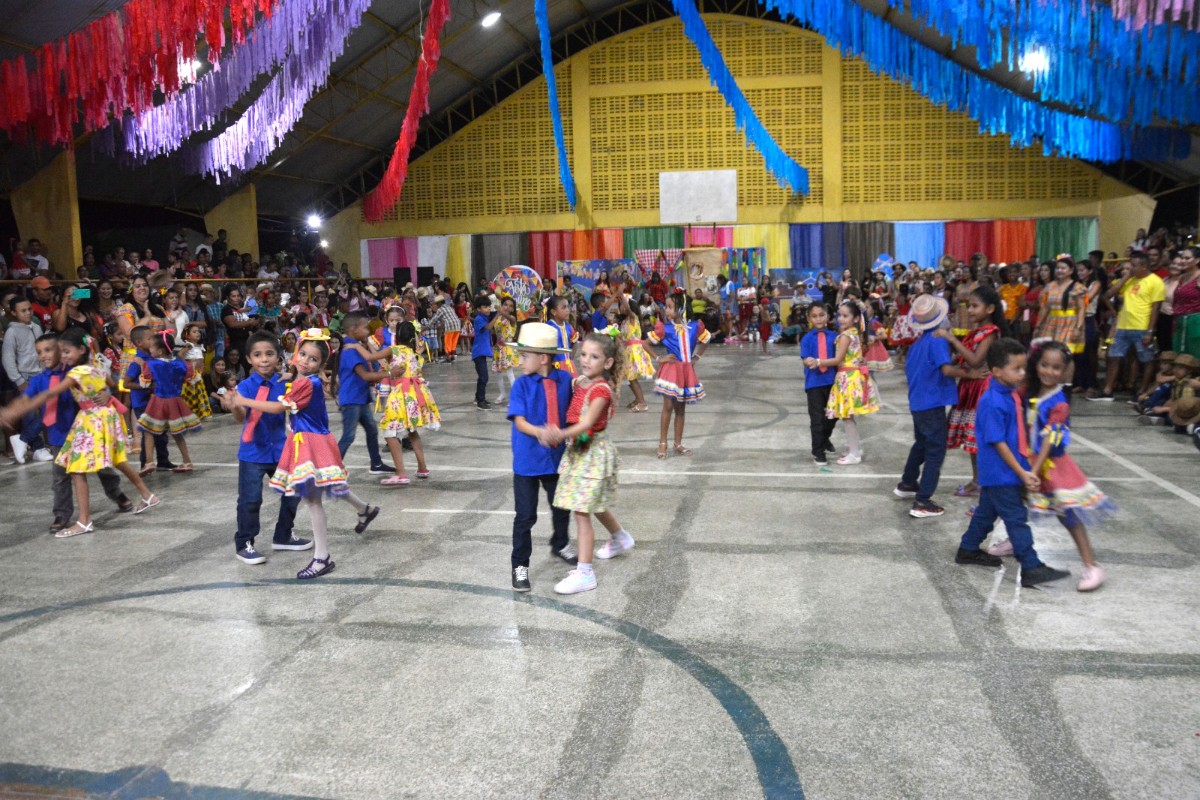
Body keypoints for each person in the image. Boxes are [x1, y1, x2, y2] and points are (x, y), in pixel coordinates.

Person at [232, 330, 381, 579]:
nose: (304, 361)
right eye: (302, 354)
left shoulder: (305, 383)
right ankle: (364, 509)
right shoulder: (299, 379)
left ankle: (322, 558)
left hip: (311, 442)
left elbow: (279, 407)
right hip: (307, 440)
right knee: (327, 486)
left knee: (313, 500)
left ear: (321, 364)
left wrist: (243, 400)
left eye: (312, 359)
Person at [0, 328, 159, 537]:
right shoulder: (94, 366)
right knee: (114, 460)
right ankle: (147, 495)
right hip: (103, 419)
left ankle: (84, 521)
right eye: (61, 352)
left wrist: (12, 412)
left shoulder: (75, 373)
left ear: (80, 349)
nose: (61, 355)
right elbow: (112, 382)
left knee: (78, 468)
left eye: (64, 351)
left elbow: (49, 394)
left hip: (91, 421)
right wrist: (104, 391)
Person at [993, 341, 1113, 591]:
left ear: (1066, 370)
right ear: (1035, 364)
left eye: (1057, 367)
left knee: (1066, 514)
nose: (1049, 371)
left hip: (1050, 466)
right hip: (1026, 459)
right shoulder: (1028, 390)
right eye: (1045, 365)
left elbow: (1050, 439)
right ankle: (1017, 540)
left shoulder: (1059, 402)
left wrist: (1033, 471)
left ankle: (1091, 565)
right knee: (1016, 499)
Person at [953, 338, 1070, 588]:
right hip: (1001, 472)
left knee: (986, 512)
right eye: (1016, 368)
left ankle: (968, 549)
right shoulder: (993, 401)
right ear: (996, 371)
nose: (1022, 373)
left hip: (1004, 471)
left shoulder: (1010, 395)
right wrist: (1021, 472)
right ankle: (1031, 566)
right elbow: (998, 443)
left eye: (1023, 367)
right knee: (1017, 518)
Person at [546, 332, 636, 595]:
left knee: (581, 512)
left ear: (607, 363)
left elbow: (586, 424)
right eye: (583, 354)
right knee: (593, 504)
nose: (586, 360)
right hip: (580, 451)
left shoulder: (601, 390)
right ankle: (620, 537)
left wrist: (558, 434)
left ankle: (585, 573)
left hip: (592, 454)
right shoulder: (581, 382)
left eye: (594, 357)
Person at [23, 333, 134, 530]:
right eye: (39, 352)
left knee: (102, 467)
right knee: (60, 475)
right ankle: (62, 514)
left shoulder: (78, 372)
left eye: (49, 350)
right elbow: (28, 398)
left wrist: (106, 392)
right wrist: (14, 410)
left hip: (85, 431)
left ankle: (117, 494)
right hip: (59, 435)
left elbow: (107, 382)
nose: (44, 355)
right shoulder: (39, 380)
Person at [218, 331, 310, 565]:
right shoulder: (246, 386)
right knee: (250, 500)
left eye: (269, 354)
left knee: (293, 492)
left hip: (281, 449)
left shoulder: (284, 383)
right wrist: (233, 406)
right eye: (258, 355)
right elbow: (241, 417)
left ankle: (283, 535)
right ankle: (245, 543)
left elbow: (281, 407)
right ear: (249, 359)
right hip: (253, 452)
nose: (264, 359)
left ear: (278, 357)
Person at [505, 322, 577, 592]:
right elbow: (520, 421)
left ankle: (560, 543)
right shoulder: (522, 385)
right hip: (527, 461)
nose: (520, 360)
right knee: (525, 516)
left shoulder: (565, 380)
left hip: (555, 460)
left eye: (525, 356)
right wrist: (540, 432)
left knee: (561, 505)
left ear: (544, 358)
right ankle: (519, 565)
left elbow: (577, 405)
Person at [894, 295, 965, 518]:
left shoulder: (917, 345)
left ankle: (907, 483)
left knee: (922, 444)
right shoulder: (937, 340)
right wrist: (970, 373)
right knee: (935, 450)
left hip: (918, 402)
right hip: (932, 403)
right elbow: (946, 370)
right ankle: (923, 501)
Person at [942, 287, 1005, 496]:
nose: (969, 310)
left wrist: (953, 341)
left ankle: (986, 482)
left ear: (990, 309)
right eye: (969, 305)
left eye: (974, 306)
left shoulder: (990, 332)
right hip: (970, 386)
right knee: (972, 441)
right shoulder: (975, 332)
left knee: (980, 439)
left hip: (982, 388)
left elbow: (976, 361)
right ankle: (977, 480)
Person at [816, 300, 880, 465]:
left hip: (847, 378)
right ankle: (854, 448)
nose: (841, 319)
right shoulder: (854, 333)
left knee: (847, 418)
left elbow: (838, 359)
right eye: (839, 315)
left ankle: (854, 454)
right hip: (853, 377)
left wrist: (818, 362)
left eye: (845, 316)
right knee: (848, 417)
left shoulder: (845, 336)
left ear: (856, 318)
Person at [1092, 253, 1164, 400]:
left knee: (1146, 359)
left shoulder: (1156, 282)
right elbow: (1107, 295)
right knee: (1113, 356)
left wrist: (1149, 331)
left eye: (1134, 265)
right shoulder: (1130, 280)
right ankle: (1108, 390)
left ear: (1144, 266)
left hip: (1142, 326)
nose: (1131, 268)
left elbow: (1156, 308)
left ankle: (1141, 391)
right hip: (1123, 326)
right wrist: (1125, 278)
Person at [647, 293, 710, 459]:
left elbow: (706, 340)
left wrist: (696, 357)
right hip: (671, 371)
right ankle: (662, 443)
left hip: (685, 372)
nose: (666, 310)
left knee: (680, 409)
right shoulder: (665, 328)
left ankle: (678, 443)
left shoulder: (695, 326)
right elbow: (645, 344)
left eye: (669, 307)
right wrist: (659, 358)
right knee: (667, 407)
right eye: (666, 307)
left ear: (681, 309)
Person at [376, 321, 440, 485]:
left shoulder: (394, 350)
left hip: (401, 395)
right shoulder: (416, 354)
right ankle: (422, 468)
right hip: (416, 394)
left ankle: (401, 473)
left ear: (396, 335)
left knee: (390, 432)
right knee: (412, 432)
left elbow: (373, 357)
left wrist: (361, 346)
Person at [136, 332, 202, 472]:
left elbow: (145, 384)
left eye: (152, 348)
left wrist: (142, 365)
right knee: (177, 433)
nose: (150, 350)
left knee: (148, 430)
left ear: (159, 351)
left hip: (158, 401)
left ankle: (149, 462)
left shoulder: (151, 364)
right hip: (175, 401)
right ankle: (187, 461)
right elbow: (193, 379)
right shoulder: (180, 365)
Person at [335, 312, 389, 475]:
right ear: (353, 329)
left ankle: (376, 463)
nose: (367, 332)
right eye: (365, 328)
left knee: (372, 429)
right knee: (349, 436)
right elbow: (365, 375)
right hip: (352, 399)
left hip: (360, 397)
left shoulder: (356, 346)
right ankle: (331, 468)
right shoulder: (351, 349)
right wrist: (389, 374)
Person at [2, 295, 51, 463]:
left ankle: (23, 438)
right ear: (14, 313)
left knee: (48, 410)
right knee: (29, 414)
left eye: (29, 309)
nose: (28, 313)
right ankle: (37, 447)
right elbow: (8, 358)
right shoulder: (12, 332)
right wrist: (18, 380)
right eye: (23, 311)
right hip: (25, 376)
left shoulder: (36, 328)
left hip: (41, 374)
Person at [125, 326, 175, 473]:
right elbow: (126, 383)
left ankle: (163, 460)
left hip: (156, 401)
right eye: (149, 338)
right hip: (142, 403)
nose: (153, 340)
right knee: (148, 433)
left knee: (161, 431)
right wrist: (146, 385)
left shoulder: (154, 357)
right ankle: (145, 463)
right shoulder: (137, 362)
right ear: (139, 343)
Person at [800, 303, 838, 466]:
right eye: (814, 316)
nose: (819, 319)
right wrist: (807, 361)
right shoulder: (807, 338)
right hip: (814, 383)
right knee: (816, 419)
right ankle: (818, 451)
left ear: (828, 316)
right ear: (809, 319)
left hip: (833, 381)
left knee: (833, 415)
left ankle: (824, 438)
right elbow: (805, 358)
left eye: (822, 315)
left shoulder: (835, 337)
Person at [615, 289, 654, 412]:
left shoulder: (633, 317)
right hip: (627, 351)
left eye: (622, 305)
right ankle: (638, 399)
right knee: (630, 378)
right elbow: (623, 337)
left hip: (634, 351)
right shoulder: (625, 321)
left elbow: (629, 309)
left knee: (632, 378)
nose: (620, 307)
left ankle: (642, 403)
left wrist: (622, 297)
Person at [179, 323, 211, 420]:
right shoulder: (189, 345)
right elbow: (180, 354)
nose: (198, 333)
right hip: (190, 374)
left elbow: (201, 360)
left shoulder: (200, 346)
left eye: (198, 331)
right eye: (194, 332)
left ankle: (201, 413)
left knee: (199, 392)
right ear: (187, 335)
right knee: (191, 393)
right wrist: (187, 365)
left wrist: (202, 369)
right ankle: (189, 413)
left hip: (198, 373)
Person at [491, 296, 519, 404]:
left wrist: (501, 312)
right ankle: (502, 394)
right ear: (502, 305)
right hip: (498, 348)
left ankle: (515, 398)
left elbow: (510, 319)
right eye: (505, 305)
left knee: (509, 373)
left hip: (507, 348)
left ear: (513, 309)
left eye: (511, 306)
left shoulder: (512, 319)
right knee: (498, 373)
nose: (507, 307)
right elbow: (492, 330)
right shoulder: (498, 318)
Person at [470, 295, 496, 410]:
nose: (488, 309)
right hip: (478, 352)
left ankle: (478, 397)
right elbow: (489, 327)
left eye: (489, 307)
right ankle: (481, 401)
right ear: (479, 309)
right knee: (484, 377)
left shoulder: (484, 317)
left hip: (482, 352)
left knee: (482, 377)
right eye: (485, 307)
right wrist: (498, 315)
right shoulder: (479, 319)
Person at [545, 296, 578, 376]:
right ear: (554, 312)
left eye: (568, 307)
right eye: (564, 307)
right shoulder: (548, 327)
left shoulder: (569, 327)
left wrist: (570, 359)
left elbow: (574, 343)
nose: (568, 310)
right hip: (554, 367)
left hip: (569, 365)